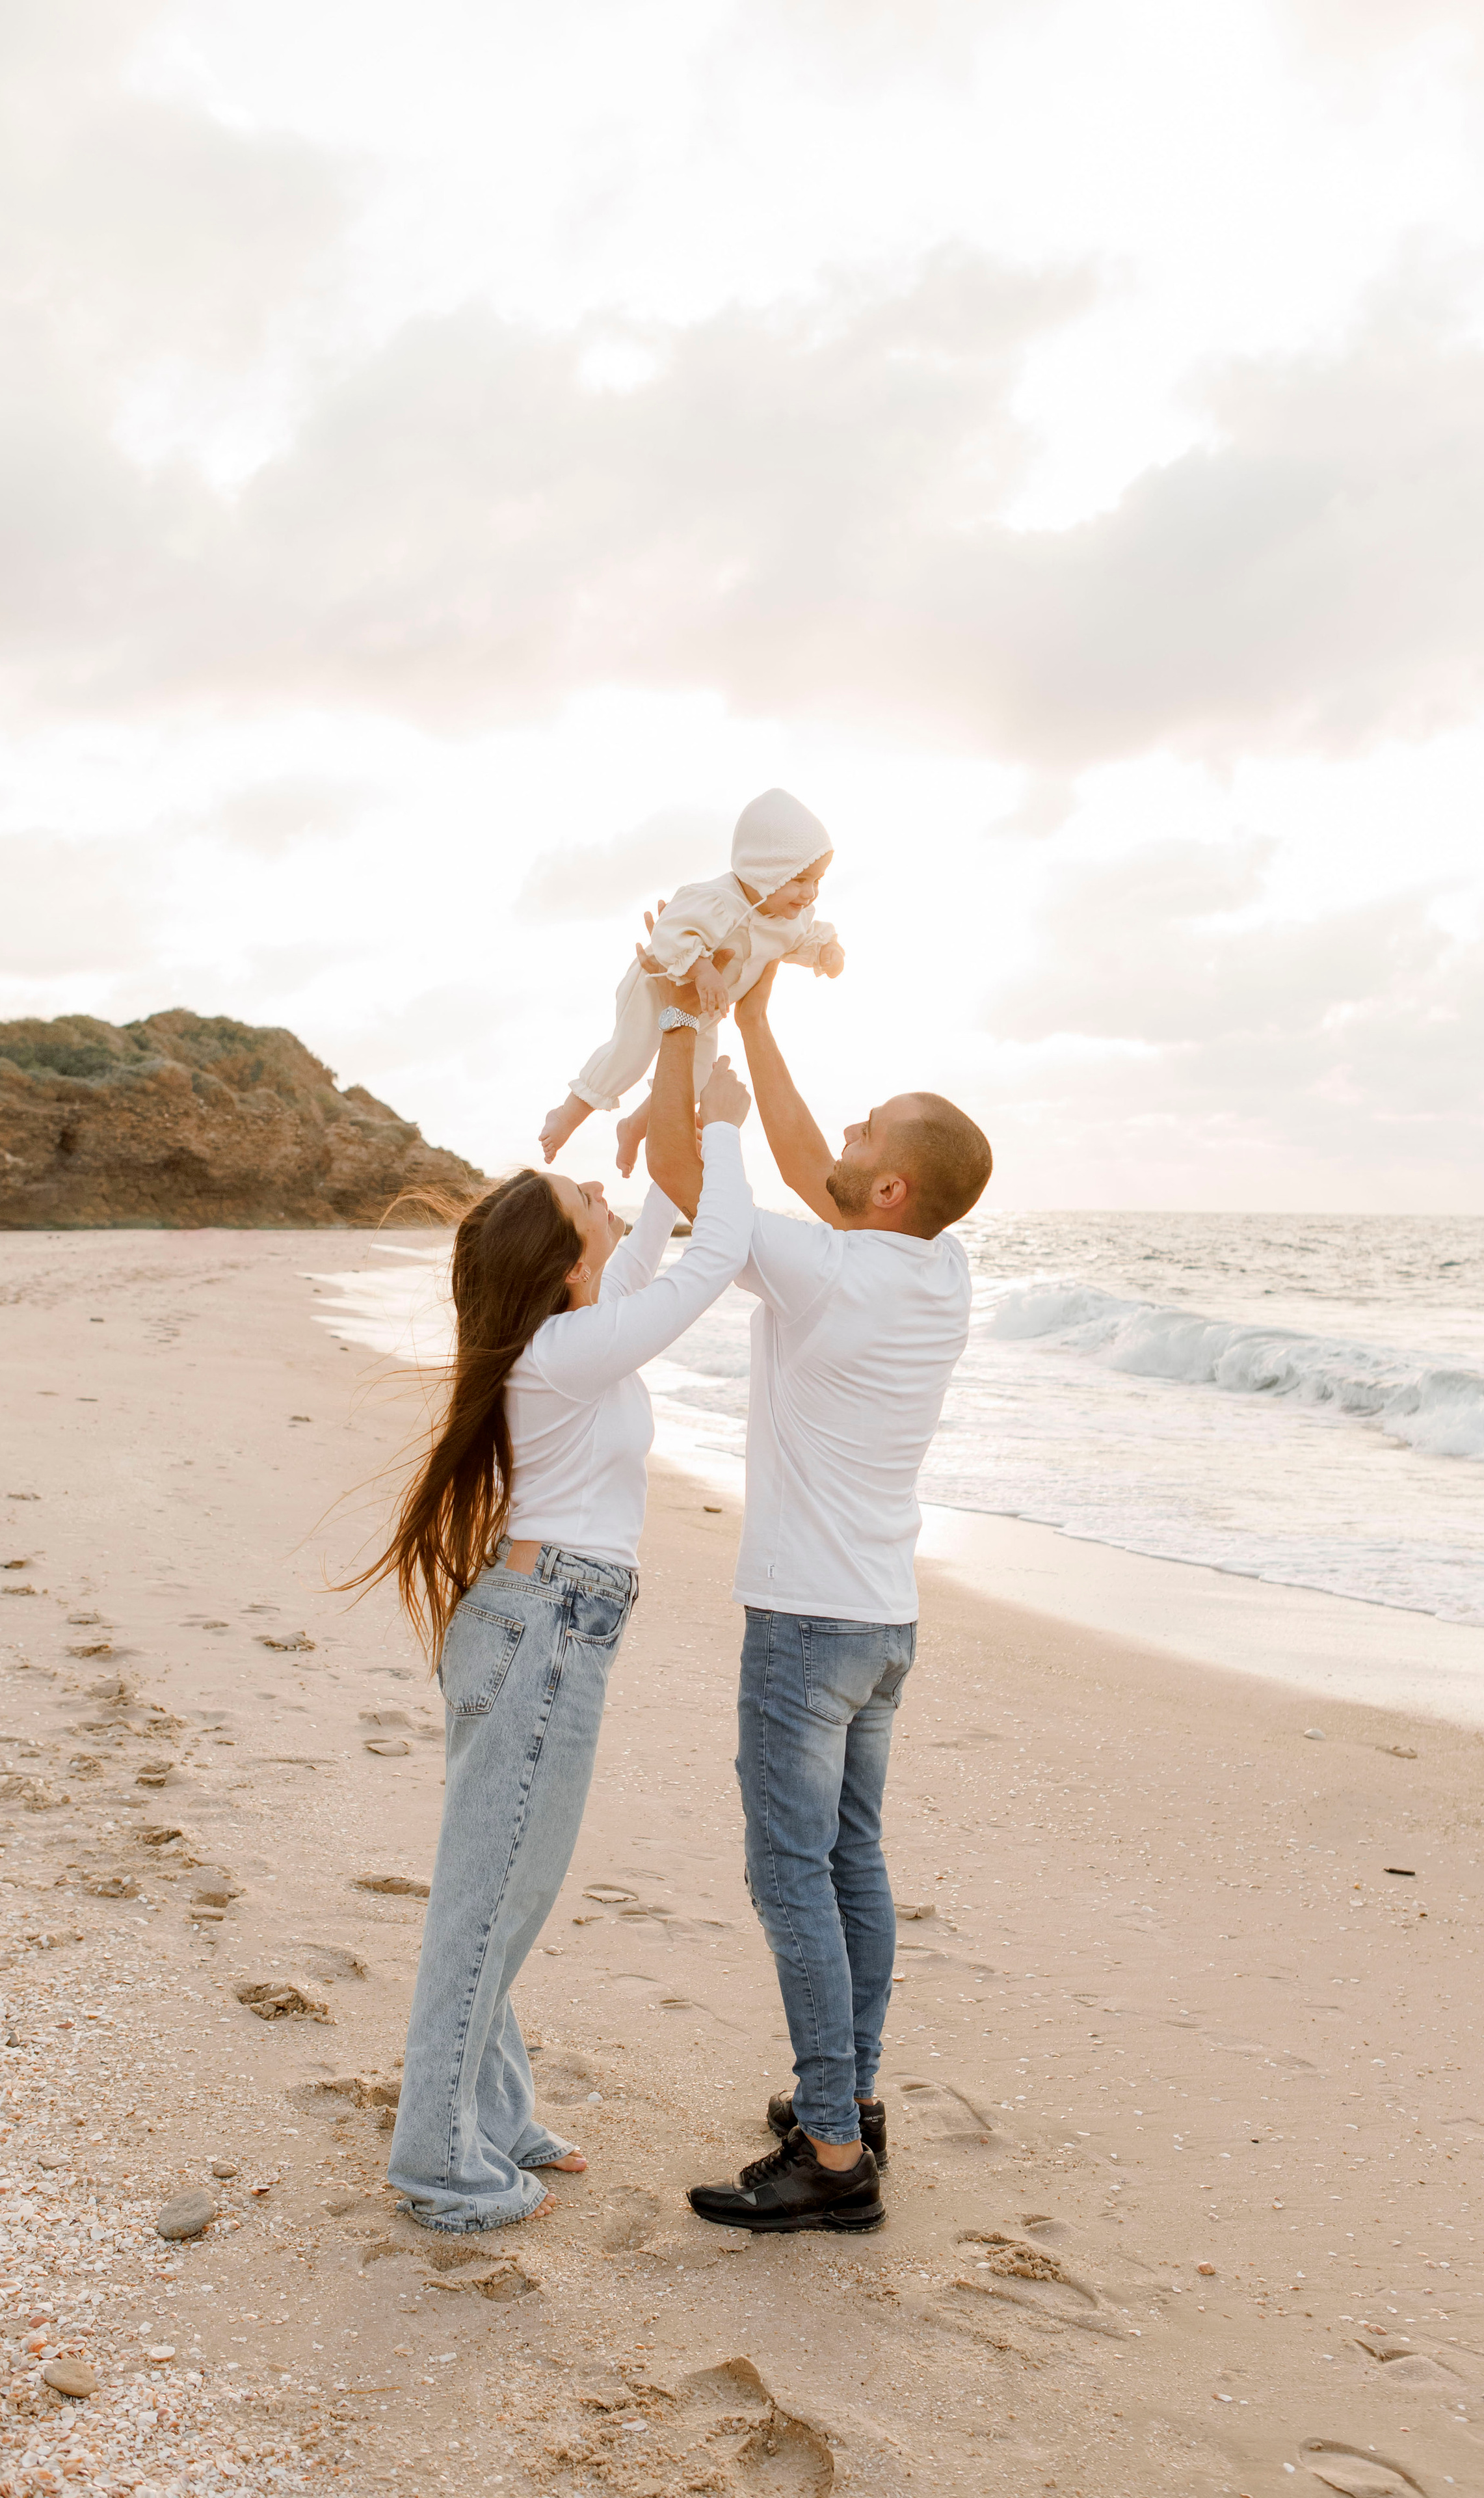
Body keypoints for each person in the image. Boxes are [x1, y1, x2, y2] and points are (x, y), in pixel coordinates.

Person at [362, 1002, 753, 2234]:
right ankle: (438, 2160)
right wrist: (728, 1134)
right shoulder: (570, 1354)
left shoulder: (567, 1337)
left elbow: (650, 1251)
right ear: (563, 1254)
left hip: (539, 1622)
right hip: (547, 1628)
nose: (596, 1185)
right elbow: (710, 1253)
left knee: (500, 1888)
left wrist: (680, 1040)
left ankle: (495, 2117)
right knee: (492, 1899)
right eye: (580, 1191)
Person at [646, 961, 992, 2236]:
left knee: (791, 1871)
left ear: (889, 1188)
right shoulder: (930, 1272)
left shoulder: (829, 1273)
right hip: (881, 1623)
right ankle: (847, 2100)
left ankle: (833, 2151)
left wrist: (711, 1085)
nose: (835, 1138)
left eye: (861, 1134)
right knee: (850, 1859)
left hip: (803, 1626)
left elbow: (699, 1193)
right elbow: (814, 1181)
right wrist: (752, 1012)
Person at [539, 787, 844, 1177]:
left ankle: (634, 1127)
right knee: (629, 1054)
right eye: (800, 879)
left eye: (817, 881)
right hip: (658, 985)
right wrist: (702, 969)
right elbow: (669, 934)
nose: (810, 892)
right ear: (765, 869)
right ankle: (567, 1115)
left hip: (706, 1010)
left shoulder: (790, 918)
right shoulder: (716, 900)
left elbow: (807, 938)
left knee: (695, 1079)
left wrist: (827, 953)